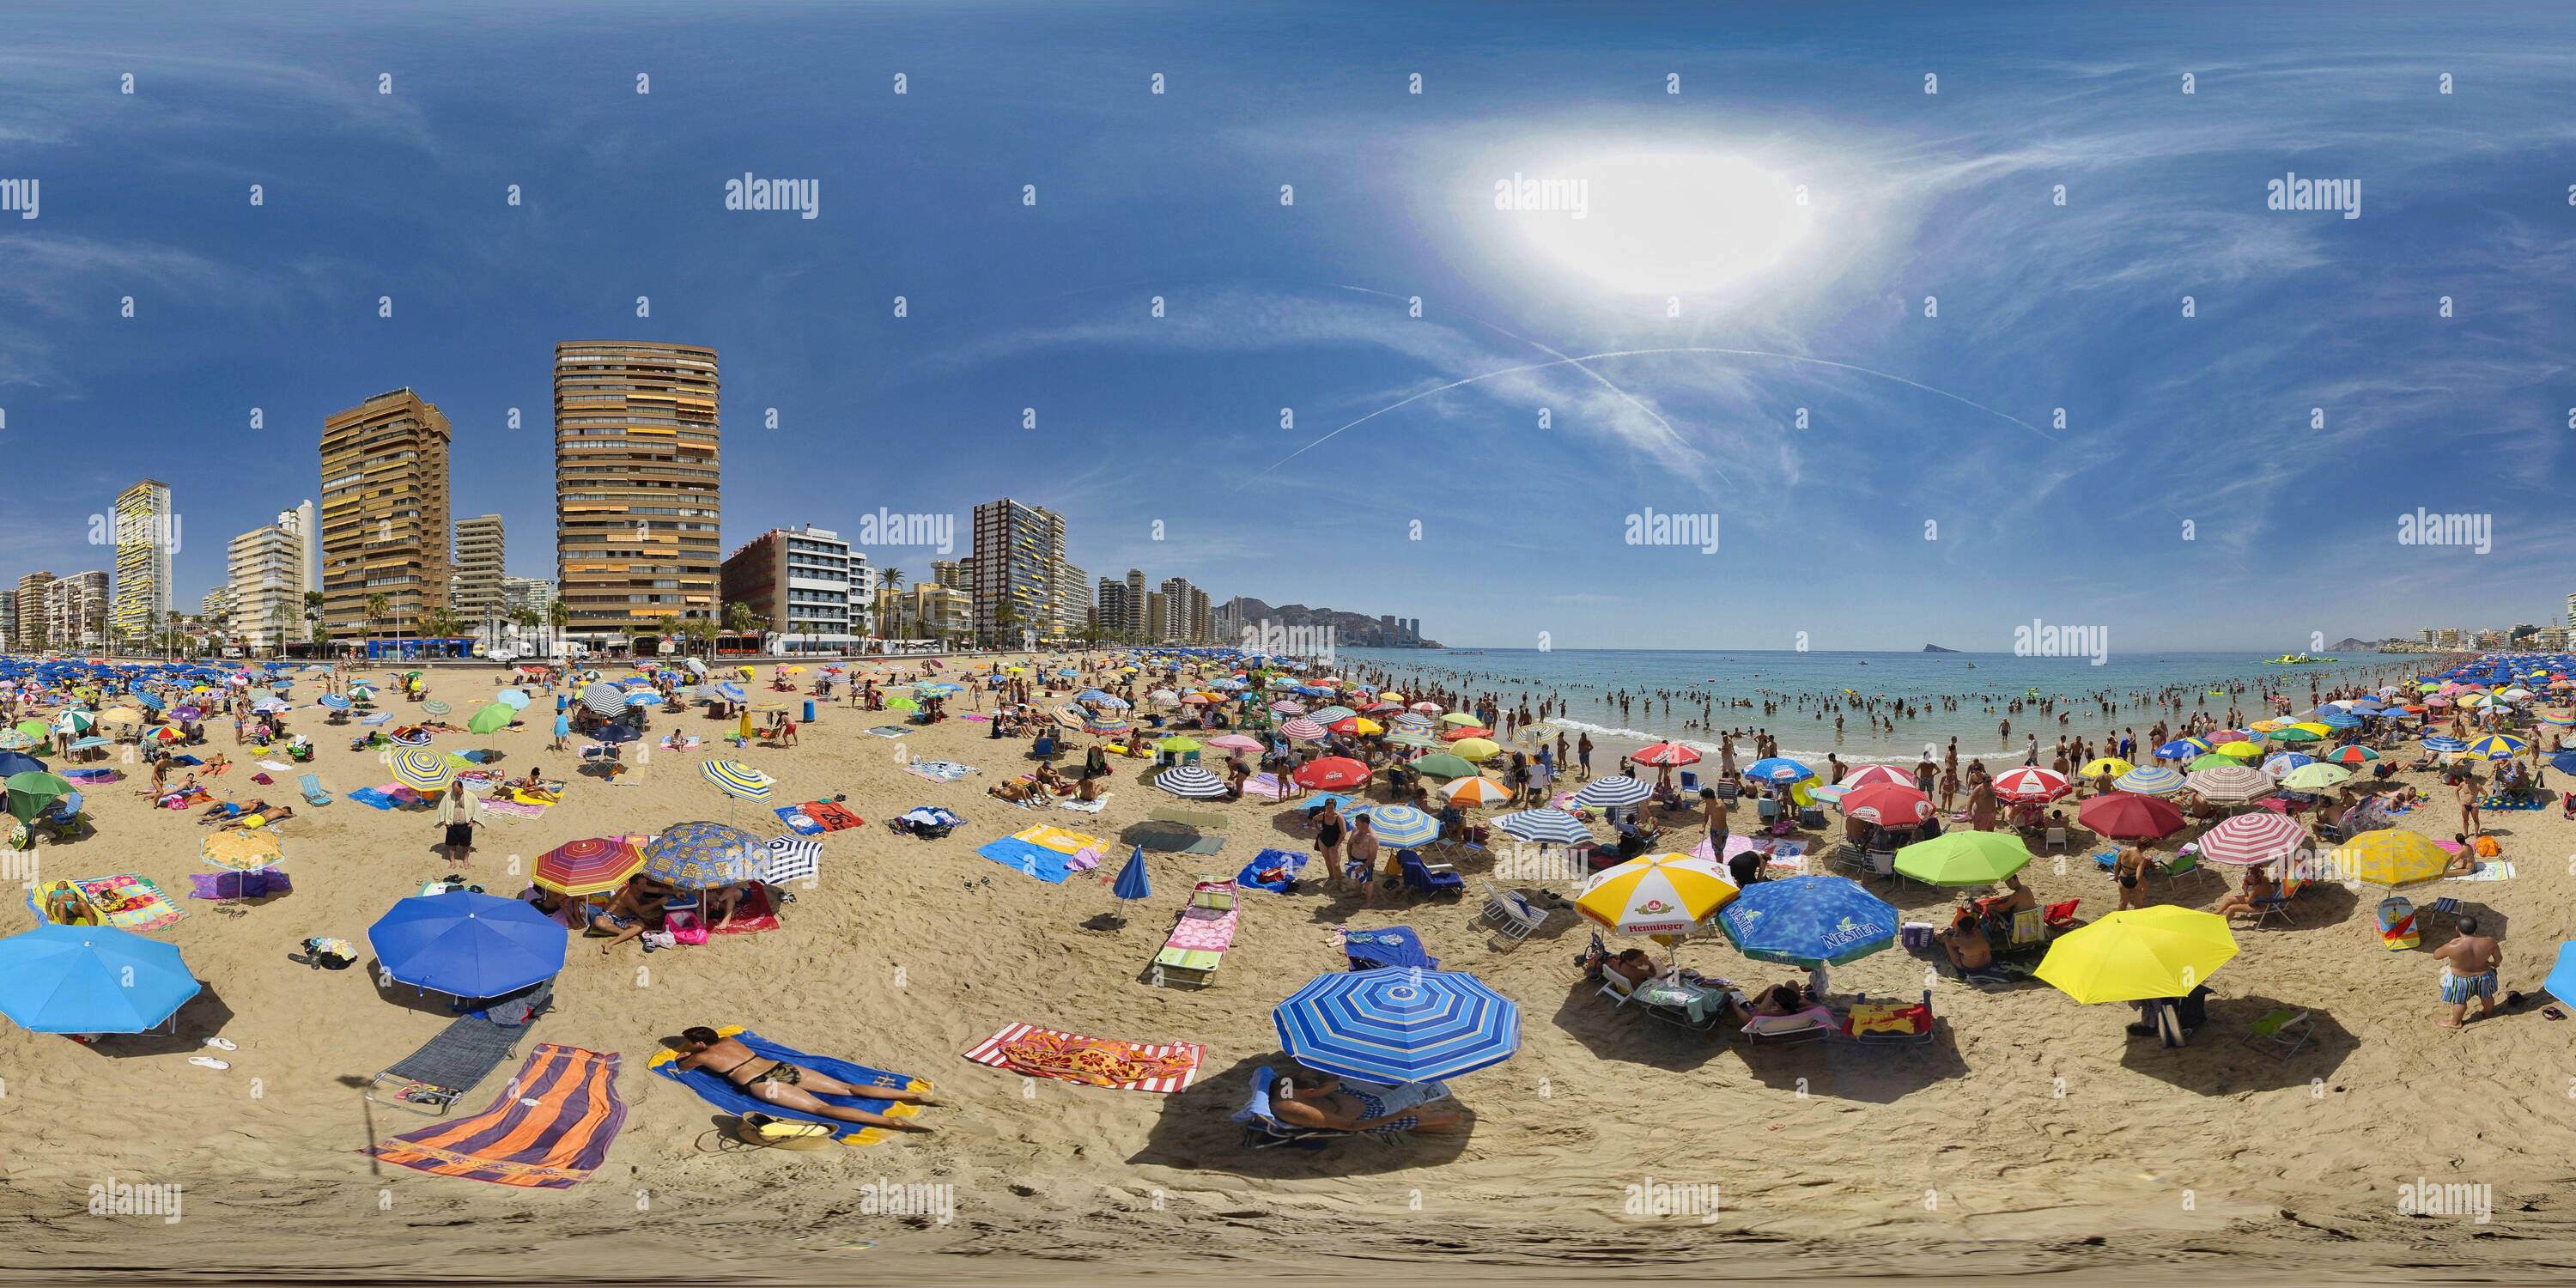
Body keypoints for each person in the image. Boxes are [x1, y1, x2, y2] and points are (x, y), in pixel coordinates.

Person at [674, 1027, 942, 1132]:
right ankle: (913, 1097)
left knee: (819, 1109)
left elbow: (683, 1067)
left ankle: (894, 1123)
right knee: (846, 1088)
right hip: (781, 1067)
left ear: (699, 1044)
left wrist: (685, 1055)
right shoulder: (730, 1039)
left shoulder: (701, 1057)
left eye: (690, 1042)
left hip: (763, 1083)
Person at [1270, 1066, 1464, 1136]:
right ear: (1312, 1092)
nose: (1335, 1086)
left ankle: (1418, 1119)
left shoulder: (1288, 1083)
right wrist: (1403, 1114)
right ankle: (1414, 1125)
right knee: (1452, 1118)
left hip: (1358, 1097)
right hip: (1372, 1116)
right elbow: (1352, 1126)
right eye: (1332, 1087)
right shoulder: (1298, 1110)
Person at [2433, 915, 2503, 1028]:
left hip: (2461, 979)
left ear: (2457, 929)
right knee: (2487, 996)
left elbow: (2436, 955)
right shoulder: (2489, 942)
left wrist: (2450, 943)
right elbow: (2498, 958)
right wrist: (2495, 965)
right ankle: (2488, 1013)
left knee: (2459, 1001)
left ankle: (2455, 1022)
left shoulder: (2452, 946)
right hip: (2484, 975)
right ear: (2476, 929)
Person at [435, 779, 480, 867]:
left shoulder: (470, 796)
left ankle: (465, 860)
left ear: (462, 788)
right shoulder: (448, 796)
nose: (456, 793)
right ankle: (452, 861)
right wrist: (445, 821)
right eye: (454, 791)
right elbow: (442, 808)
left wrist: (474, 821)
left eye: (458, 791)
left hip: (466, 825)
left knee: (466, 845)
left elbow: (477, 808)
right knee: (452, 845)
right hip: (452, 825)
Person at [2212, 864, 2278, 920]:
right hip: (2258, 899)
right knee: (2229, 899)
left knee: (2231, 908)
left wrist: (2245, 890)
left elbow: (2248, 900)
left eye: (2247, 875)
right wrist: (2247, 884)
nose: (2245, 877)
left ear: (2254, 877)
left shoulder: (2257, 887)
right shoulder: (2263, 878)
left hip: (2263, 905)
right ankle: (2215, 913)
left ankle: (2223, 925)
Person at [2113, 843, 2152, 910]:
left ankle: (2118, 918)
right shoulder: (2141, 858)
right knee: (2138, 903)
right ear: (2144, 847)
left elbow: (2116, 865)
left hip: (2123, 879)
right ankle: (2136, 919)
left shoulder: (2123, 851)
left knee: (2123, 902)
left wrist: (2116, 876)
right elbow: (2139, 875)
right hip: (2136, 881)